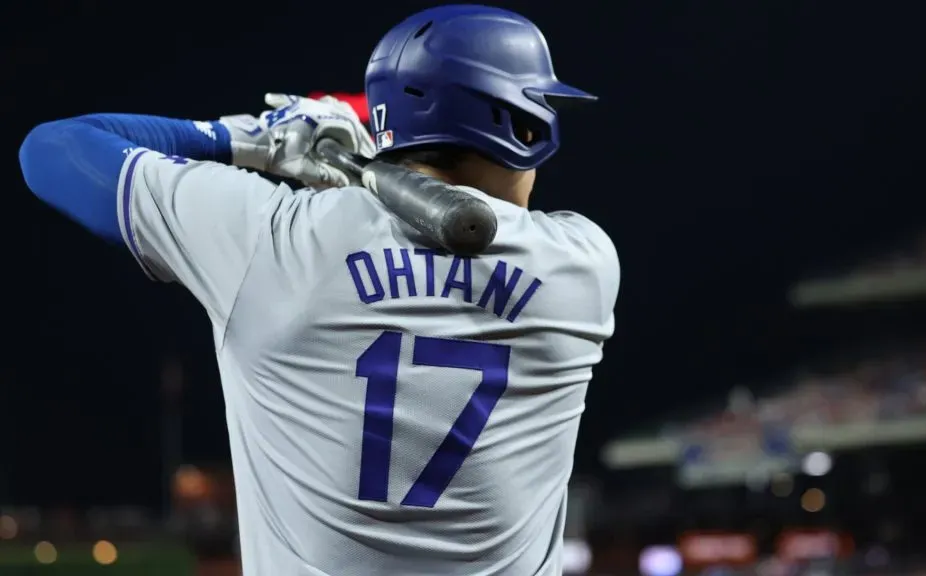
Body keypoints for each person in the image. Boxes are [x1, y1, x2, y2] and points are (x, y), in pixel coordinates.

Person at [19, 5, 618, 575]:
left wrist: (248, 139)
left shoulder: (273, 237)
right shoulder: (582, 268)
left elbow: (52, 150)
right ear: (523, 126)